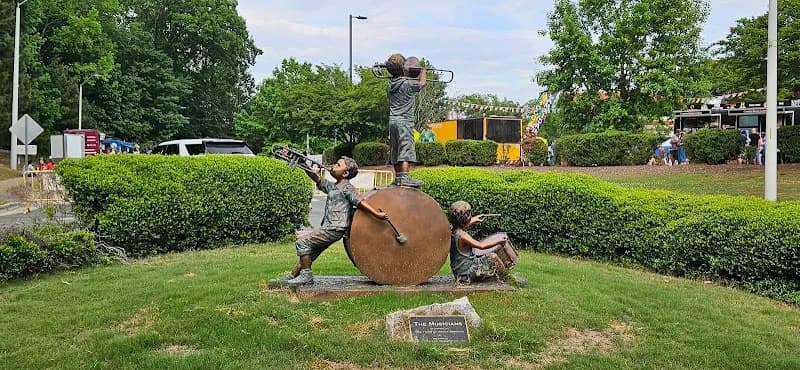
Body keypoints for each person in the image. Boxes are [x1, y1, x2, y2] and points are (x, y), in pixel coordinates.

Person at [279, 156, 388, 287]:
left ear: (346, 173)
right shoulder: (334, 187)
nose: (333, 166)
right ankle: (292, 275)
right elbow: (317, 178)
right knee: (311, 252)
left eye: (338, 165)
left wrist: (377, 214)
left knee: (303, 243)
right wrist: (304, 165)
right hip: (330, 226)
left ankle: (306, 276)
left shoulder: (347, 187)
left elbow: (360, 201)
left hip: (335, 227)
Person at [448, 201, 515, 284]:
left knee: (483, 256)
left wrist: (474, 220)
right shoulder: (463, 236)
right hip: (467, 273)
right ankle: (506, 278)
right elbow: (481, 246)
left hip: (459, 272)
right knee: (492, 257)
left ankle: (500, 275)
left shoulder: (453, 230)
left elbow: (461, 225)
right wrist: (499, 241)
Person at [386, 53, 426, 188]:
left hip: (392, 122)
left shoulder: (390, 84)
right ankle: (405, 178)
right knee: (405, 148)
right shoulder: (408, 83)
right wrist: (422, 70)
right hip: (405, 122)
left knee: (395, 149)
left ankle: (398, 177)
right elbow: (422, 83)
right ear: (403, 68)